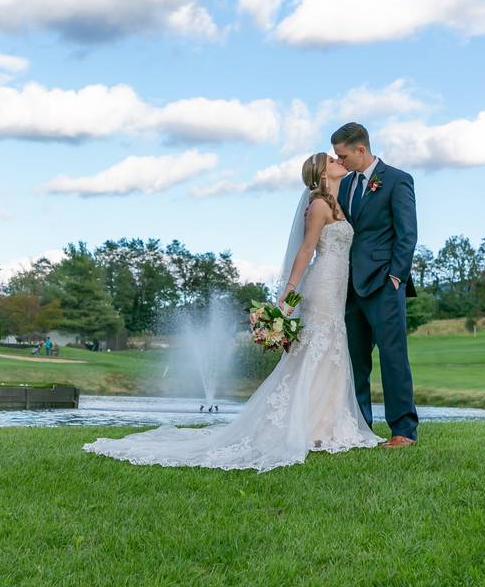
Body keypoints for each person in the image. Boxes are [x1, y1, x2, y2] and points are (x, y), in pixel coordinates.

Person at [84, 149, 390, 472]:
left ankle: (325, 425)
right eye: (331, 161)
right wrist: (287, 295)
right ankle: (307, 426)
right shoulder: (317, 206)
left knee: (330, 350)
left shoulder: (339, 204)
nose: (338, 161)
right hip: (322, 286)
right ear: (320, 174)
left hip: (338, 287)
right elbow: (305, 252)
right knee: (316, 349)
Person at [332, 122, 419, 447]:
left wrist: (396, 276)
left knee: (393, 357)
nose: (339, 161)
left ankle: (403, 431)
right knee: (354, 361)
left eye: (342, 155)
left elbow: (407, 233)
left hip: (384, 283)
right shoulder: (344, 185)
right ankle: (359, 427)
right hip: (349, 286)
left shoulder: (397, 180)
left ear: (361, 149)